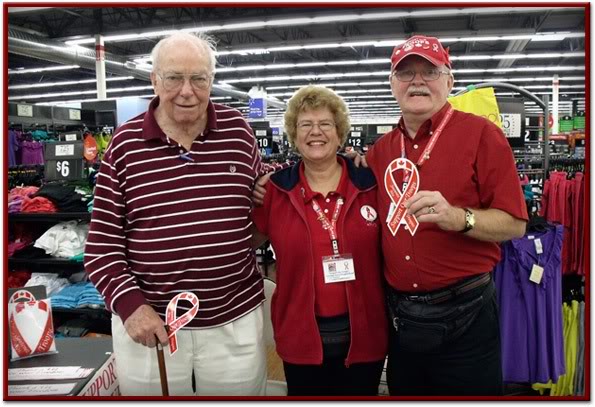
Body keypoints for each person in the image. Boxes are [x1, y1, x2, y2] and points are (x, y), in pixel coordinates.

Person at [253, 35, 528, 396]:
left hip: (466, 313)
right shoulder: (378, 154)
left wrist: (462, 218)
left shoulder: (482, 136)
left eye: (429, 71)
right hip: (402, 321)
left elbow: (516, 224)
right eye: (405, 73)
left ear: (450, 80)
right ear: (392, 84)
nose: (417, 80)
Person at [84, 32, 267, 396]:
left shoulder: (239, 134)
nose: (187, 90)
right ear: (154, 80)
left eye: (199, 78)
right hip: (150, 325)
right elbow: (101, 248)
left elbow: (258, 216)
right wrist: (131, 306)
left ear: (212, 82)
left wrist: (268, 201)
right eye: (174, 78)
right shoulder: (124, 146)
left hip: (234, 319)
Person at [251, 85, 388, 396]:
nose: (316, 132)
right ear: (294, 135)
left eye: (325, 124)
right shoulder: (275, 191)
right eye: (305, 125)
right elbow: (245, 242)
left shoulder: (370, 184)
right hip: (300, 338)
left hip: (365, 337)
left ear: (339, 133)